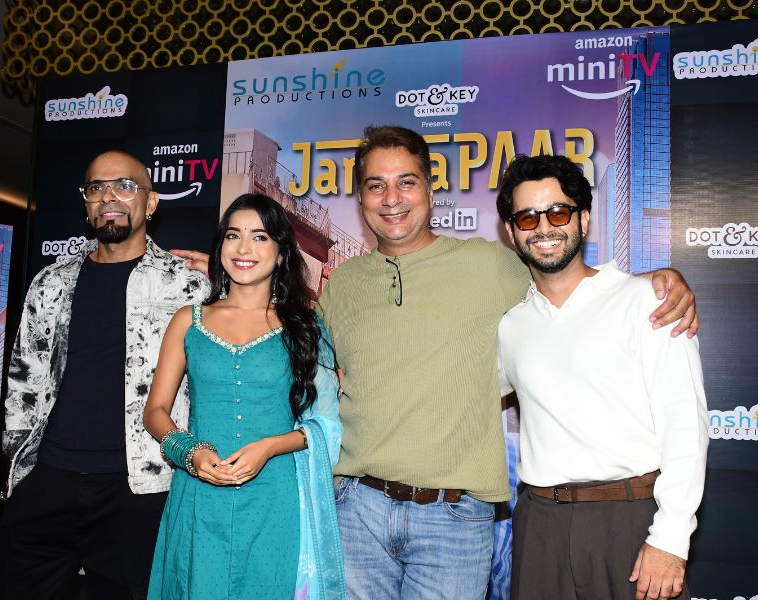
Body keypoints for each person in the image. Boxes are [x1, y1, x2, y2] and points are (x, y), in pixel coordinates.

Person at [176, 126, 698, 600]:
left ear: (430, 190)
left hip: (454, 519)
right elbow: (290, 343)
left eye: (406, 182)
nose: (392, 198)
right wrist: (234, 281)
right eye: (376, 186)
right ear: (361, 199)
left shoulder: (491, 265)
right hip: (356, 510)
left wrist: (657, 281)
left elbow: (564, 272)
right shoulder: (344, 285)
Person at [0, 150, 210, 600]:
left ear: (150, 202)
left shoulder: (188, 285)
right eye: (96, 187)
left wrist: (232, 283)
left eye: (125, 186)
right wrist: (20, 472)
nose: (109, 196)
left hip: (140, 488)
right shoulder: (50, 282)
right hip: (47, 480)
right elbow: (23, 381)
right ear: (87, 203)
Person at [495, 154, 707, 600]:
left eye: (558, 212)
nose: (544, 228)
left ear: (584, 219)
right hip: (540, 527)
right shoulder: (510, 327)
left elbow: (685, 425)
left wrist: (671, 537)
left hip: (631, 521)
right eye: (528, 218)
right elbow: (459, 391)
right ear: (512, 233)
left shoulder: (648, 301)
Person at [143, 193, 345, 600]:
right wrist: (190, 452)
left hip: (275, 496)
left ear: (282, 252)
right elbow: (156, 411)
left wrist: (268, 447)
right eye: (233, 235)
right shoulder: (189, 321)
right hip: (199, 491)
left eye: (260, 237)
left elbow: (326, 424)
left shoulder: (305, 328)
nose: (244, 248)